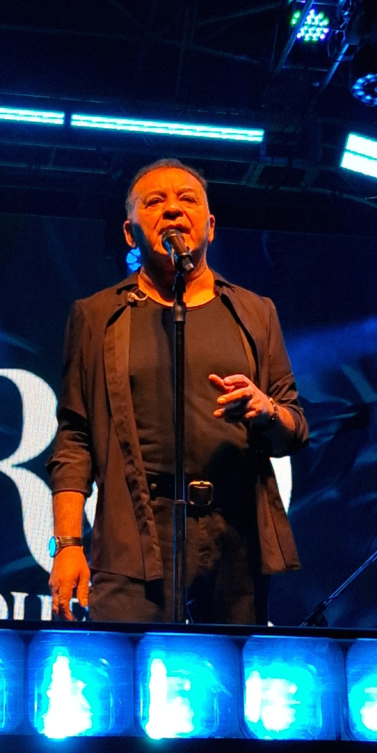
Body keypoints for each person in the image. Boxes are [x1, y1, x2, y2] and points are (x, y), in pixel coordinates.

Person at [47, 158, 308, 625]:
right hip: (134, 536)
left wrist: (266, 410)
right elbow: (75, 438)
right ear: (129, 233)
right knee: (123, 663)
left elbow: (295, 427)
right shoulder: (97, 315)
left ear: (210, 226)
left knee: (227, 668)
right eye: (154, 202)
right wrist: (67, 545)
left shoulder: (255, 312)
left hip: (234, 538)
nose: (172, 210)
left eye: (187, 200)